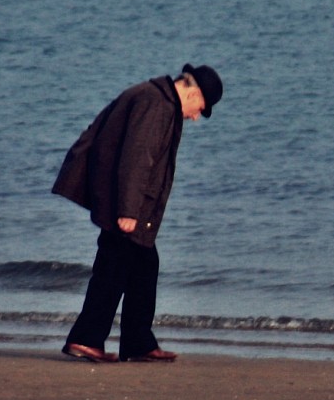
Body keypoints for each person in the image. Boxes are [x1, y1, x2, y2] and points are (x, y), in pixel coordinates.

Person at [52, 63, 223, 363]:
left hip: (119, 196)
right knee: (114, 267)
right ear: (192, 91)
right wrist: (128, 210)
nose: (196, 116)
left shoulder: (156, 99)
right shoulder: (156, 104)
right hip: (123, 201)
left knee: (143, 264)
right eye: (200, 108)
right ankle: (87, 339)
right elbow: (136, 158)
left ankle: (137, 342)